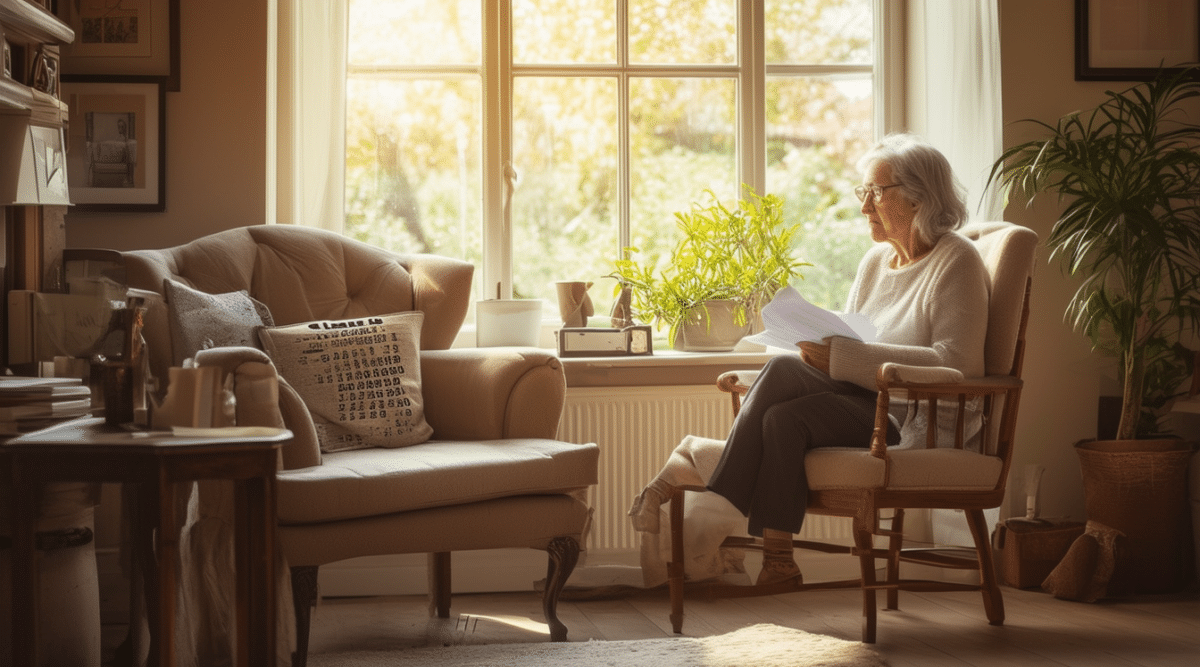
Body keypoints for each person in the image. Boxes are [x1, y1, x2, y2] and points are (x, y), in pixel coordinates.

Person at [705, 133, 990, 585]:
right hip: (866, 399)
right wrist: (827, 349)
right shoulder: (875, 262)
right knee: (783, 403)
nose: (864, 207)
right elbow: (858, 336)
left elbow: (957, 363)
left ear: (919, 198)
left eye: (876, 192)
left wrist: (846, 357)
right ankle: (778, 561)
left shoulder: (958, 261)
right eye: (864, 193)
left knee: (784, 403)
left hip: (914, 415)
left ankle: (716, 507)